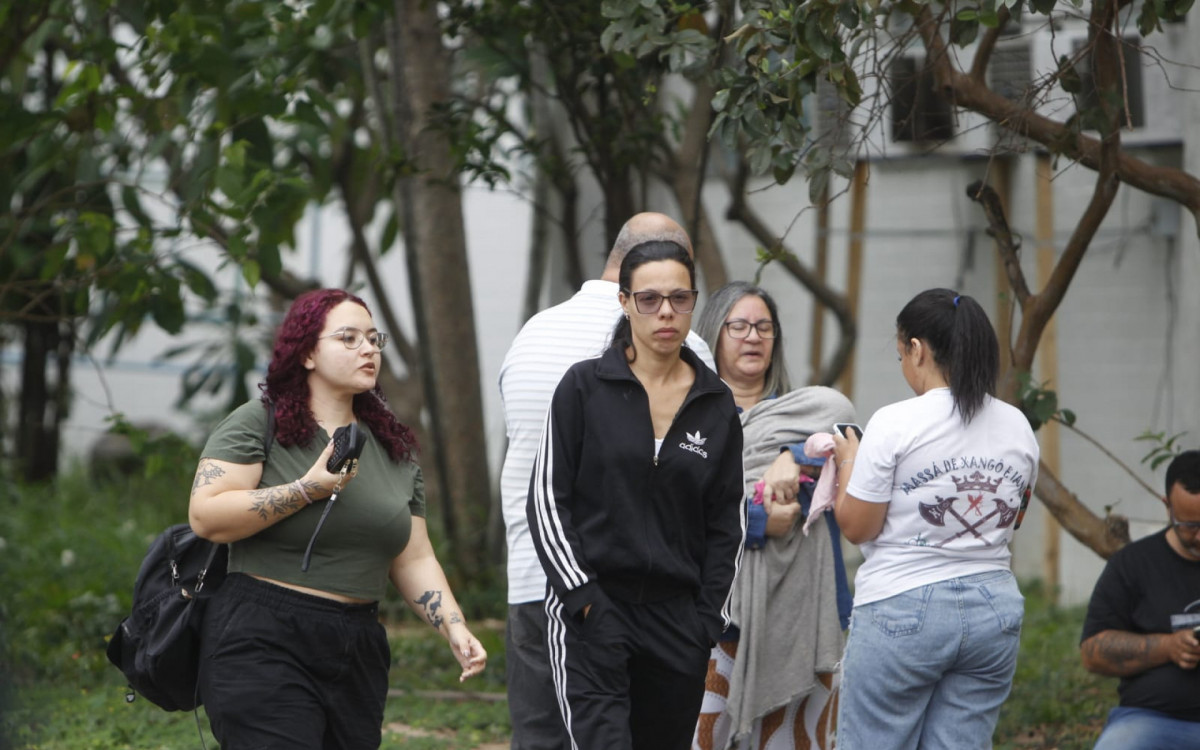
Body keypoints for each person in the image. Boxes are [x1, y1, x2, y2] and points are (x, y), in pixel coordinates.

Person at [189, 288, 487, 748]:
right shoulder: (258, 424)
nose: (368, 349)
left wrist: (453, 624)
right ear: (307, 353)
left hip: (357, 644)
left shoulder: (394, 448)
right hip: (264, 634)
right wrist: (307, 489)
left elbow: (412, 556)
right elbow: (206, 516)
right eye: (348, 338)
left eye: (373, 339)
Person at [498, 213, 715, 749]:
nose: (670, 307)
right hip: (618, 594)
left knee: (544, 737)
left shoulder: (531, 334)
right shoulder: (684, 352)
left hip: (533, 576)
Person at [831, 288, 1039, 750]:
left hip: (902, 607)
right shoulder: (1017, 425)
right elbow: (1013, 517)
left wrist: (850, 459)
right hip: (993, 609)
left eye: (901, 349)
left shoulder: (895, 423)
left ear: (918, 350)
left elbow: (857, 526)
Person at [690, 282, 855, 750]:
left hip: (806, 617)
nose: (753, 337)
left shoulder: (804, 412)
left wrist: (793, 452)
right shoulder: (690, 418)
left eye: (764, 327)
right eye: (738, 326)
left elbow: (847, 425)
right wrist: (756, 520)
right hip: (718, 617)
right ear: (713, 335)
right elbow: (678, 509)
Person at [1079, 449, 1200, 750]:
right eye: (1190, 526)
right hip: (1151, 720)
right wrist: (1169, 647)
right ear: (1167, 507)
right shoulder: (1132, 564)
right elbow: (1092, 653)